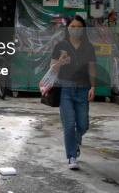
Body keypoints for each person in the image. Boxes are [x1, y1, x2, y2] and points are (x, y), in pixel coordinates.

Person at [49, 15, 96, 170]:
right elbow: (52, 69)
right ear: (67, 28)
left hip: (83, 89)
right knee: (69, 125)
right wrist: (61, 61)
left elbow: (92, 68)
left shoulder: (89, 47)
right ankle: (72, 157)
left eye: (79, 27)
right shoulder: (60, 45)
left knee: (83, 125)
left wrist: (93, 87)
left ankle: (75, 142)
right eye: (72, 27)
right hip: (65, 89)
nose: (76, 30)